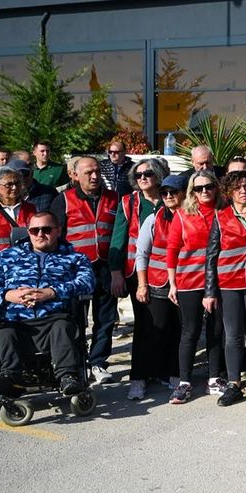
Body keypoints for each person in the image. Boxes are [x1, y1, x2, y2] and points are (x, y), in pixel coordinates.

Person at [0, 210, 97, 400]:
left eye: (46, 229)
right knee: (5, 333)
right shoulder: (6, 257)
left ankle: (68, 377)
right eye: (34, 230)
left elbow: (88, 282)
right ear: (28, 232)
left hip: (53, 319)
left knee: (62, 326)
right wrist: (8, 295)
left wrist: (52, 292)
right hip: (16, 320)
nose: (40, 234)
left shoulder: (74, 258)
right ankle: (11, 379)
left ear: (58, 230)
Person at [50, 155, 120, 385]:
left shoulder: (114, 198)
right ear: (74, 175)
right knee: (74, 318)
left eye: (97, 171)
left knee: (105, 318)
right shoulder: (63, 200)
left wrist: (117, 270)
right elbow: (55, 237)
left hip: (105, 268)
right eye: (88, 172)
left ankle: (98, 362)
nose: (94, 176)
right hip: (75, 271)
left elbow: (121, 234)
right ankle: (75, 363)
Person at [204, 171, 246, 406]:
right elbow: (211, 255)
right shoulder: (220, 217)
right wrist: (209, 291)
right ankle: (234, 384)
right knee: (232, 335)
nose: (243, 190)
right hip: (229, 284)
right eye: (237, 187)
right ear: (229, 192)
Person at [109, 157, 167, 401]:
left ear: (159, 175)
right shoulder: (129, 202)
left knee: (165, 324)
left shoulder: (169, 198)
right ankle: (138, 377)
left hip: (166, 272)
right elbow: (118, 238)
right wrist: (115, 273)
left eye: (148, 173)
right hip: (136, 273)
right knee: (145, 325)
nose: (142, 178)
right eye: (138, 174)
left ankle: (160, 371)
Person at [166, 170, 225, 403]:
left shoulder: (224, 211)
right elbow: (172, 249)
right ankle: (184, 383)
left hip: (218, 280)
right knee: (190, 331)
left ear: (216, 187)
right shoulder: (183, 214)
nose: (204, 191)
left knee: (216, 329)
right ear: (192, 191)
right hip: (189, 280)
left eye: (208, 186)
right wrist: (172, 283)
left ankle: (214, 378)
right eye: (199, 188)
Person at [132, 173, 185, 397]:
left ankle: (173, 374)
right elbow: (141, 254)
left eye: (173, 192)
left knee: (179, 332)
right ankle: (138, 378)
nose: (168, 196)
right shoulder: (153, 219)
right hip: (157, 284)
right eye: (164, 193)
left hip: (185, 284)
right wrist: (142, 285)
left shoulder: (191, 217)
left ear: (184, 194)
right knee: (152, 331)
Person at [0, 167, 36, 262]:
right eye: (9, 184)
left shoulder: (31, 209)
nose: (14, 188)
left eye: (17, 183)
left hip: (25, 264)